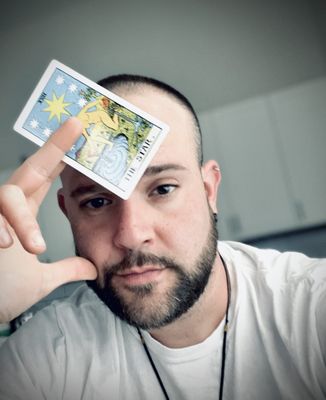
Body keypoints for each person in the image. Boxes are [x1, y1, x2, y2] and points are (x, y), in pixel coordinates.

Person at [0, 75, 325, 400]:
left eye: (163, 189)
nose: (131, 235)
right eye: (97, 202)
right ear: (67, 212)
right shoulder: (47, 354)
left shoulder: (310, 308)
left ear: (209, 190)